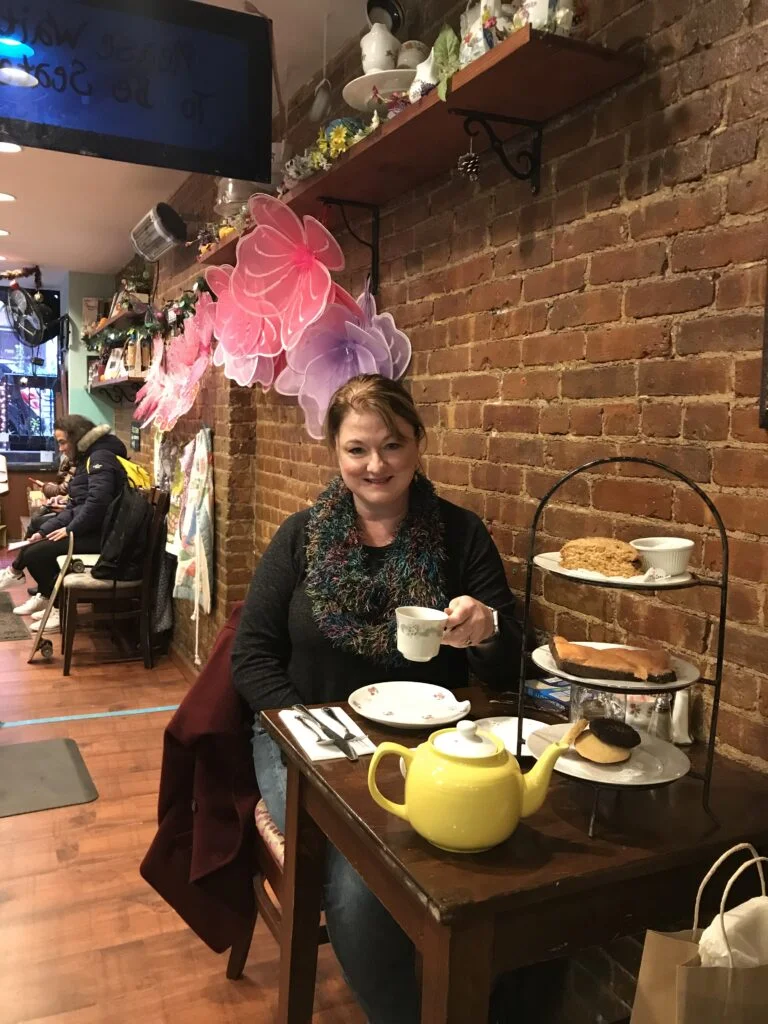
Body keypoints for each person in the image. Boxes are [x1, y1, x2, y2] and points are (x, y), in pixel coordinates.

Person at [232, 374, 524, 1024]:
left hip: (425, 744)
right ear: (334, 452)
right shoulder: (301, 537)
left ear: (418, 442)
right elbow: (250, 657)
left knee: (498, 854)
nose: (376, 465)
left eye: (392, 445)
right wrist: (311, 732)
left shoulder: (460, 535)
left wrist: (487, 629)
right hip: (304, 743)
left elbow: (509, 666)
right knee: (363, 882)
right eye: (357, 449)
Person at [0, 415, 128, 631]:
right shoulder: (90, 457)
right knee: (37, 539)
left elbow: (97, 505)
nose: (60, 449)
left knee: (36, 553)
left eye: (62, 442)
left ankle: (59, 607)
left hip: (107, 538)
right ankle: (48, 597)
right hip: (98, 530)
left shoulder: (100, 457)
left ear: (77, 437)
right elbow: (78, 505)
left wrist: (69, 529)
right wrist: (45, 530)